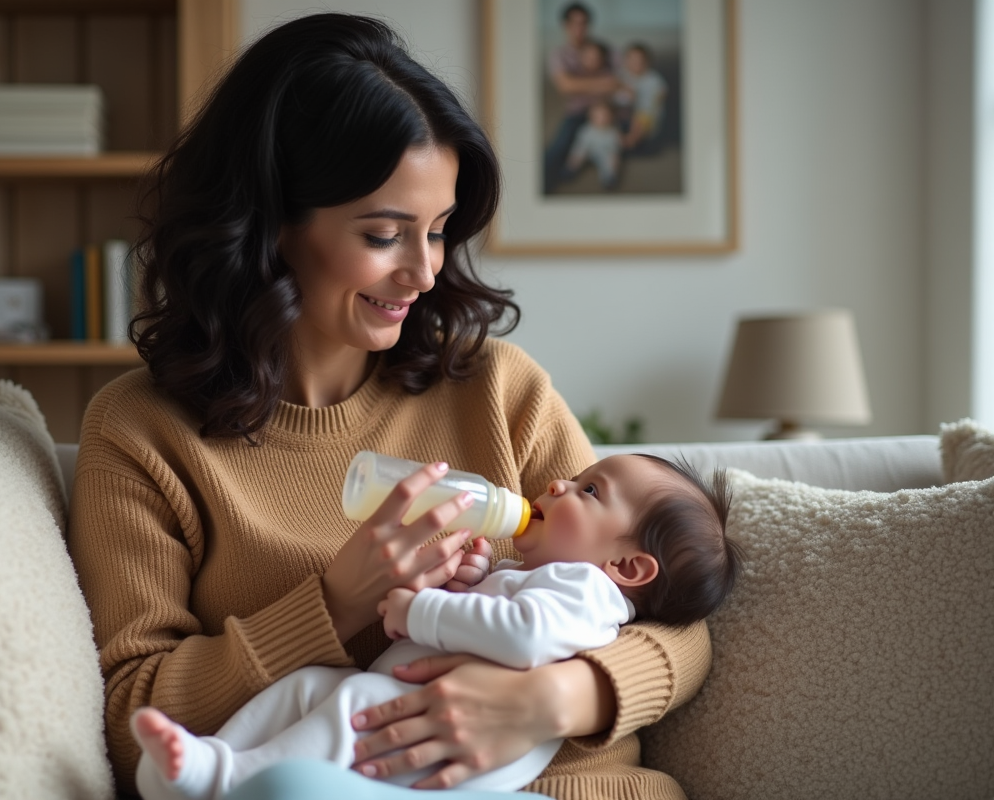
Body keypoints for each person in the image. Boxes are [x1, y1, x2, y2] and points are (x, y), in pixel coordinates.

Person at [67, 12, 719, 800]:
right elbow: (130, 710)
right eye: (385, 234)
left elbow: (673, 621)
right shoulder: (144, 434)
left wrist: (550, 698)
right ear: (268, 226)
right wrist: (336, 604)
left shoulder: (498, 389)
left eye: (440, 232)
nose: (424, 272)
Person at [129, 455, 741, 800]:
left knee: (353, 703)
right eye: (382, 234)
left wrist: (422, 611)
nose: (556, 484)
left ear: (628, 568)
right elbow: (497, 618)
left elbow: (524, 635)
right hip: (411, 720)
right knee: (312, 685)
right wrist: (468, 580)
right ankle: (213, 761)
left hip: (451, 757)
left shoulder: (588, 591)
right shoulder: (541, 572)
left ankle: (228, 780)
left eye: (587, 489)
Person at [543, 6, 620, 193]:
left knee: (624, 140)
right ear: (565, 25)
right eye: (574, 23)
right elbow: (565, 86)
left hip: (608, 109)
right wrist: (603, 82)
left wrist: (579, 83)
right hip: (579, 110)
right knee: (559, 147)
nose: (579, 28)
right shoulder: (559, 54)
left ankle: (607, 172)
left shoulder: (606, 49)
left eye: (584, 23)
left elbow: (621, 80)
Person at [617, 42, 668, 153]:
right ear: (626, 61)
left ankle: (631, 140)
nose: (636, 63)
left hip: (644, 113)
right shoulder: (622, 76)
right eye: (632, 60)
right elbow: (615, 94)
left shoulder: (653, 79)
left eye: (640, 60)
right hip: (623, 111)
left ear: (647, 62)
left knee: (639, 120)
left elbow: (659, 97)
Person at [564, 100, 622, 190]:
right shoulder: (586, 129)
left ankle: (609, 177)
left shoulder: (613, 132)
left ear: (612, 117)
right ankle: (571, 168)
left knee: (612, 160)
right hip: (588, 150)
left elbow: (615, 148)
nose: (602, 119)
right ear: (591, 117)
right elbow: (580, 143)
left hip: (604, 152)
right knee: (578, 151)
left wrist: (614, 157)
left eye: (605, 116)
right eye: (597, 116)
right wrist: (577, 156)